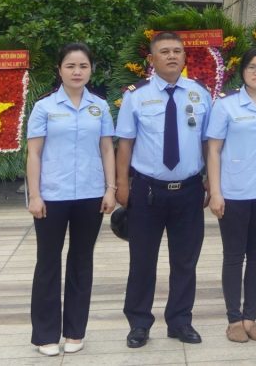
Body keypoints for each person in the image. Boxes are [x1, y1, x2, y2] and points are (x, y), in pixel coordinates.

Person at [115, 31, 212, 348]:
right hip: (147, 190)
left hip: (189, 189)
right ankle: (139, 323)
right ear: (152, 59)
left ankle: (180, 321)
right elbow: (125, 144)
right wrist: (120, 186)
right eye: (165, 51)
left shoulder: (200, 93)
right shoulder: (136, 95)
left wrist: (211, 179)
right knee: (142, 260)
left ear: (185, 57)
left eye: (177, 51)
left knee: (185, 261)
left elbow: (209, 143)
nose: (172, 56)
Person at [26, 43, 116, 357]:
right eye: (70, 66)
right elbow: (34, 152)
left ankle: (75, 330)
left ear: (91, 70)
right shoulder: (45, 107)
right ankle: (45, 334)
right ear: (59, 70)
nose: (77, 72)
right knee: (48, 263)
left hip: (90, 196)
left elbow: (107, 149)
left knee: (81, 261)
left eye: (83, 66)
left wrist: (111, 188)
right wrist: (34, 195)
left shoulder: (100, 107)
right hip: (52, 196)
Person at [205, 48, 256, 343]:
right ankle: (233, 319)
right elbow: (213, 149)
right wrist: (215, 191)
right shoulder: (226, 106)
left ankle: (251, 317)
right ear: (242, 71)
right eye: (252, 67)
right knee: (233, 256)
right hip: (234, 192)